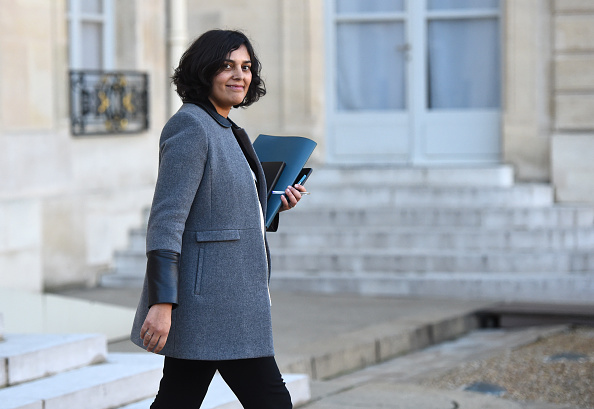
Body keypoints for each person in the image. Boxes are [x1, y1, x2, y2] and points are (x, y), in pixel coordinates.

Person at [130, 29, 306, 409]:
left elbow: (223, 208)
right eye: (227, 65)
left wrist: (274, 206)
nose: (239, 75)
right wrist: (161, 303)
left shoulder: (226, 127)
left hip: (227, 298)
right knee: (272, 402)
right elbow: (166, 218)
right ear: (204, 71)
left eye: (246, 67)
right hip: (210, 302)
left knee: (178, 398)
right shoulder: (191, 126)